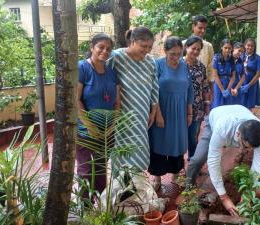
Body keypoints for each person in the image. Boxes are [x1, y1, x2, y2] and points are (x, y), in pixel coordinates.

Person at [185, 105, 260, 216]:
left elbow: (258, 163)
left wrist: (247, 193)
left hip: (238, 111)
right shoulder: (222, 128)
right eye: (246, 146)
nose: (248, 150)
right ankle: (188, 191)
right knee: (197, 160)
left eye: (252, 148)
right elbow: (213, 161)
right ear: (238, 134)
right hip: (215, 120)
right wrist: (224, 197)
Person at [108, 27, 159, 173]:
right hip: (122, 116)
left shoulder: (150, 61)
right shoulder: (115, 57)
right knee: (121, 152)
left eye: (149, 47)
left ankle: (136, 185)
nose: (147, 50)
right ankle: (121, 189)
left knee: (140, 151)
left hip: (142, 114)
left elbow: (154, 87)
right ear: (133, 41)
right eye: (144, 46)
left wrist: (153, 111)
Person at [76, 33, 120, 195]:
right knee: (86, 170)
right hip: (85, 131)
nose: (105, 51)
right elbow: (76, 99)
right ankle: (85, 208)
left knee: (101, 170)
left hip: (107, 132)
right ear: (91, 47)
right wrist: (89, 126)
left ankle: (101, 205)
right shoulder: (82, 68)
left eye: (108, 49)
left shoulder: (111, 71)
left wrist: (112, 126)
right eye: (101, 47)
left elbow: (117, 101)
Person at [148, 36, 194, 190]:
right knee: (159, 142)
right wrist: (158, 114)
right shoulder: (157, 65)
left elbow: (189, 89)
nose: (176, 57)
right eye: (172, 54)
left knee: (178, 142)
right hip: (162, 109)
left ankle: (175, 173)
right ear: (165, 51)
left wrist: (189, 113)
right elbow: (152, 90)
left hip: (180, 111)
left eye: (179, 54)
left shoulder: (184, 65)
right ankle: (157, 176)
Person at [184, 36, 210, 160]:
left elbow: (205, 87)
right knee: (181, 136)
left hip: (198, 106)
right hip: (181, 106)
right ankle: (178, 165)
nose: (195, 51)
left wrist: (207, 104)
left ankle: (193, 161)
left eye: (198, 49)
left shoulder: (201, 67)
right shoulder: (179, 65)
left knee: (194, 136)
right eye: (193, 48)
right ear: (186, 47)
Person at [184, 15, 214, 91]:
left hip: (202, 88)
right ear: (193, 27)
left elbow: (210, 69)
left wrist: (211, 90)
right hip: (184, 87)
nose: (203, 31)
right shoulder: (183, 44)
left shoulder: (208, 46)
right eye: (200, 28)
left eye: (205, 28)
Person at [210, 39, 236, 110]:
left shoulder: (232, 59)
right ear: (221, 47)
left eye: (229, 48)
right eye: (225, 48)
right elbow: (215, 75)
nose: (227, 50)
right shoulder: (216, 58)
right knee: (218, 105)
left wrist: (228, 89)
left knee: (228, 106)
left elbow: (233, 76)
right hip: (218, 84)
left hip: (228, 84)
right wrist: (222, 90)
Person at [240, 38, 260, 109]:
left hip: (252, 84)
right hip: (241, 84)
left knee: (250, 105)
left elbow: (258, 74)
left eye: (252, 46)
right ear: (244, 45)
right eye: (248, 45)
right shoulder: (240, 56)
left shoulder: (257, 58)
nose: (250, 47)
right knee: (240, 103)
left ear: (254, 47)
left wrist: (248, 85)